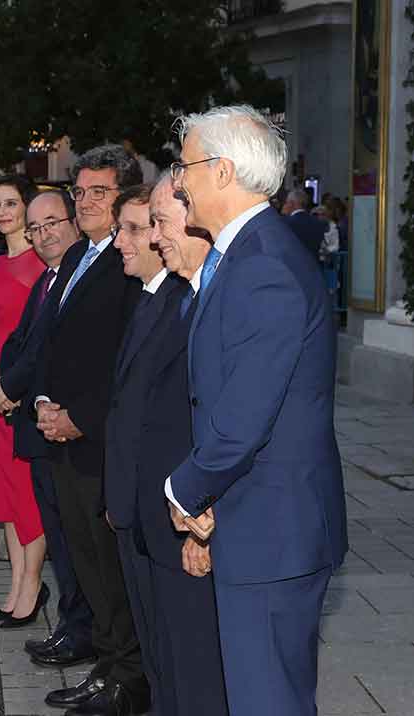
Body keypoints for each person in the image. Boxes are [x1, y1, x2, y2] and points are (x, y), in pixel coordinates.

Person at [166, 105, 347, 716]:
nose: (179, 181)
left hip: (273, 532)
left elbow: (244, 417)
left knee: (267, 701)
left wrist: (184, 489)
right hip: (260, 523)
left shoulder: (263, 263)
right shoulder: (248, 253)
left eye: (184, 166)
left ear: (221, 170)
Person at [28, 145, 148, 715]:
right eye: (80, 192)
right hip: (65, 437)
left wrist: (78, 417)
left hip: (100, 441)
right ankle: (105, 665)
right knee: (83, 560)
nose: (85, 202)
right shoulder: (81, 257)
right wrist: (48, 404)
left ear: (125, 195)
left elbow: (125, 360)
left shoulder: (129, 264)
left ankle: (125, 677)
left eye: (98, 192)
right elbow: (58, 342)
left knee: (110, 567)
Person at [125, 173, 229, 716]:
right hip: (160, 514)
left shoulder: (221, 296)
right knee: (169, 668)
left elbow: (226, 425)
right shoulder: (179, 296)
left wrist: (202, 522)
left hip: (192, 520)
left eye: (160, 223)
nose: (154, 237)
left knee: (198, 675)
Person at [0, 189, 96, 666]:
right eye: (35, 228)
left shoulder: (80, 273)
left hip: (69, 428)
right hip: (38, 422)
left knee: (74, 540)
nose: (43, 234)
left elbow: (45, 352)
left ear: (71, 221)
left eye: (51, 222)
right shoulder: (50, 279)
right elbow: (22, 341)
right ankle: (73, 626)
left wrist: (10, 386)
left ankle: (82, 632)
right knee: (62, 537)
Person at [0, 176, 50, 627]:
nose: (3, 212)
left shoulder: (41, 264)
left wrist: (21, 390)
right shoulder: (0, 264)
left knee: (26, 493)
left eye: (12, 203)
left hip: (21, 389)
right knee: (3, 493)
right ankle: (17, 582)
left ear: (28, 207)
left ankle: (33, 585)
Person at [281, 188, 326, 257]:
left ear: (292, 203)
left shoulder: (286, 223)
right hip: (314, 264)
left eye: (286, 202)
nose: (285, 205)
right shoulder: (318, 222)